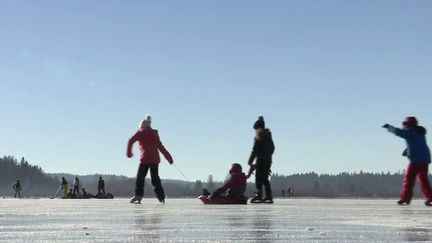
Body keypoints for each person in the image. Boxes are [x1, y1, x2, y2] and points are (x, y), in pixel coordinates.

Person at [383, 116, 432, 206]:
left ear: (408, 125)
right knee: (423, 180)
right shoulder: (420, 132)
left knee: (409, 180)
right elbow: (416, 143)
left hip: (416, 161)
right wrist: (408, 150)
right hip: (425, 159)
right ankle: (430, 198)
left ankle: (405, 198)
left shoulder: (409, 132)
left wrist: (389, 127)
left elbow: (398, 132)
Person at [127, 114, 174, 204]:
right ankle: (161, 197)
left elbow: (130, 141)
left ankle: (138, 196)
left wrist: (129, 153)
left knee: (140, 178)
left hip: (144, 159)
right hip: (155, 160)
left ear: (141, 126)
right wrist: (169, 158)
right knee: (155, 179)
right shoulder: (154, 134)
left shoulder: (140, 132)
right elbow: (161, 147)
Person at [248, 116, 275, 203]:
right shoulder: (268, 136)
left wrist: (250, 160)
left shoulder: (258, 137)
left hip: (261, 160)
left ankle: (259, 194)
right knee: (265, 178)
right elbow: (272, 148)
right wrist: (268, 156)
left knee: (258, 178)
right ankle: (268, 195)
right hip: (267, 160)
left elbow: (255, 150)